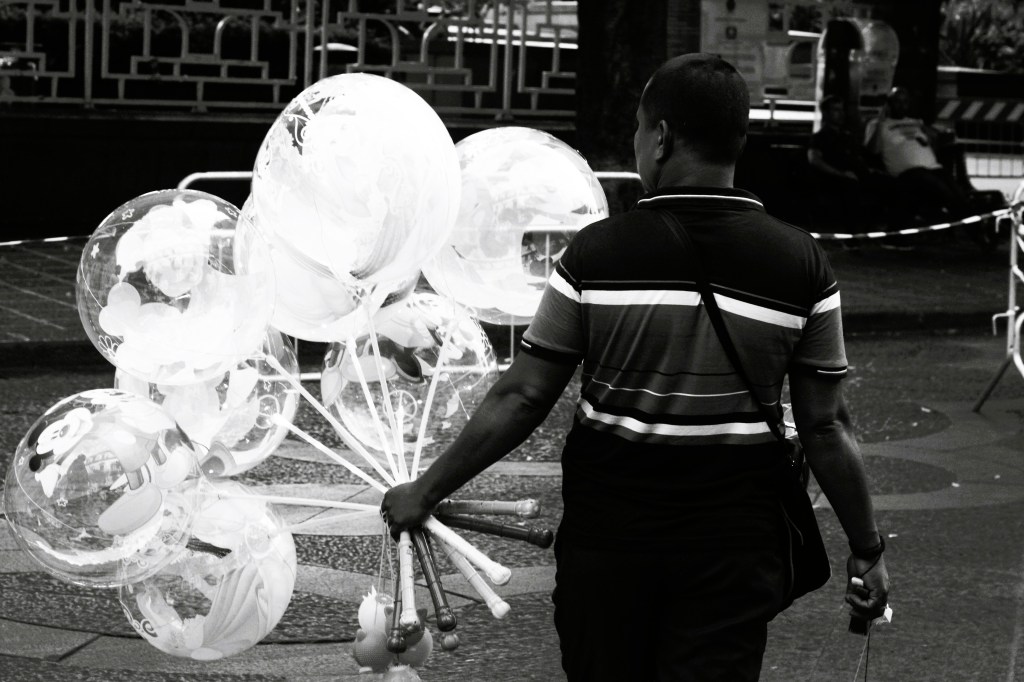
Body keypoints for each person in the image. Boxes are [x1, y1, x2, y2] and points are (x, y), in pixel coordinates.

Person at [382, 53, 889, 681]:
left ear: (661, 137)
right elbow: (826, 425)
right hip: (733, 550)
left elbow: (524, 395)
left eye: (639, 129)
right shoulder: (802, 264)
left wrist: (425, 491)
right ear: (739, 140)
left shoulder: (595, 255)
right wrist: (866, 549)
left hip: (611, 543)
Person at [863, 86, 972, 225]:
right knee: (946, 194)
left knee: (958, 194)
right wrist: (880, 122)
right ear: (889, 104)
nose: (901, 105)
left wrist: (936, 134)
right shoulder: (877, 124)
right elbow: (872, 150)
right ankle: (968, 226)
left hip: (932, 167)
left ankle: (975, 228)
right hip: (909, 172)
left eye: (905, 102)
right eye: (897, 101)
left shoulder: (914, 122)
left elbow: (935, 138)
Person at [807, 94, 891, 231]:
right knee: (851, 188)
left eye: (842, 110)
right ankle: (853, 234)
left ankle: (883, 231)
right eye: (836, 110)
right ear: (826, 113)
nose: (841, 114)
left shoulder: (847, 136)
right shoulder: (820, 137)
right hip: (836, 178)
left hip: (858, 174)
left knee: (888, 182)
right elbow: (814, 160)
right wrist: (841, 174)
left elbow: (862, 154)